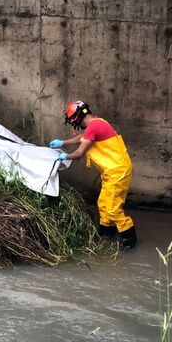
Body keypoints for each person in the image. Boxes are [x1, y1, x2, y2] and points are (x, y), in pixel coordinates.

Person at [49, 101, 137, 249]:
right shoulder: (97, 123)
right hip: (113, 170)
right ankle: (106, 234)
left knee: (113, 208)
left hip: (117, 172)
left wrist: (63, 156)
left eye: (72, 121)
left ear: (76, 118)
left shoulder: (95, 126)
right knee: (103, 203)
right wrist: (62, 142)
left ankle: (129, 238)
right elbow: (82, 138)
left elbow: (78, 154)